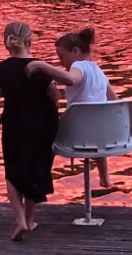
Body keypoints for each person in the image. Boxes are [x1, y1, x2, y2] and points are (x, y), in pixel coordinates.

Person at [0, 21, 60, 241]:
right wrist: (52, 114)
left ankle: (19, 221)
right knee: (35, 168)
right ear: (30, 41)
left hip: (14, 123)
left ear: (5, 43)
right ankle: (30, 220)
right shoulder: (40, 67)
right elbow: (54, 95)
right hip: (40, 124)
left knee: (13, 171)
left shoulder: (3, 69)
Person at [26, 27, 119, 189]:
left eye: (61, 56)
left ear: (75, 51)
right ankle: (104, 177)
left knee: (47, 133)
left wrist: (40, 66)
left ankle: (42, 176)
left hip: (77, 134)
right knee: (95, 127)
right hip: (100, 135)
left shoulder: (80, 66)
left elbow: (71, 80)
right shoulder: (98, 71)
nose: (60, 62)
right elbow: (115, 101)